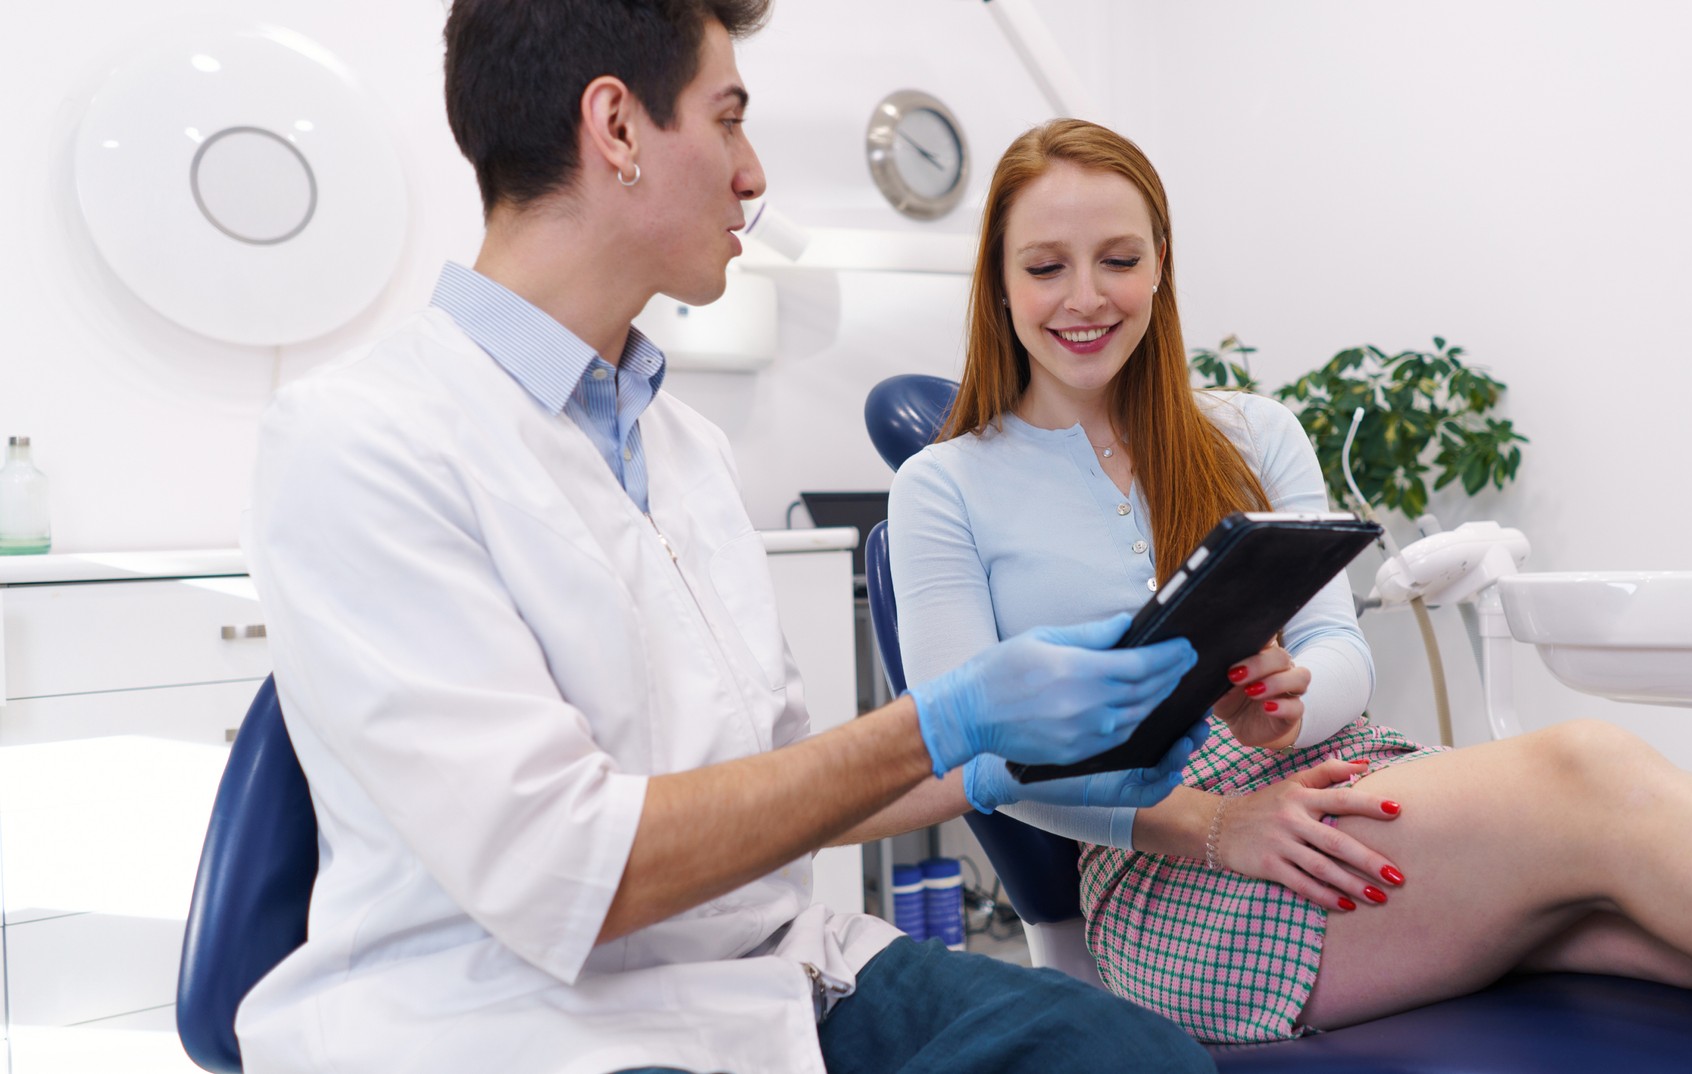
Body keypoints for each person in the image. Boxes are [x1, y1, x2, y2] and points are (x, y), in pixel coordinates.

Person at [886, 117, 1692, 1074]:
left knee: (1657, 933)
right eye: (1044, 267)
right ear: (996, 278)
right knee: (1587, 770)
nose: (1084, 298)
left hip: (1340, 779)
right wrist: (1207, 822)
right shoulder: (948, 485)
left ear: (1161, 267)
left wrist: (1287, 699)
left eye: (1117, 260)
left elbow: (1340, 653)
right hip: (1174, 873)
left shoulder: (1252, 431)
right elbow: (965, 758)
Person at [238, 5, 1223, 1073]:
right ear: (615, 127)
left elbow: (782, 785)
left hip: (784, 976)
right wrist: (940, 720)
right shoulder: (363, 441)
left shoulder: (686, 448)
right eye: (729, 120)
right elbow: (569, 872)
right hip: (517, 1021)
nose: (752, 176)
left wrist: (1043, 753)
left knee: (1131, 1058)